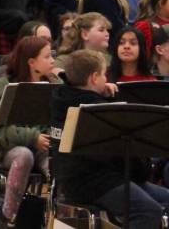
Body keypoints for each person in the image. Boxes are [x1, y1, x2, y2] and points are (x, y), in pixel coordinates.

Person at [51, 49, 169, 228]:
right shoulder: (98, 112)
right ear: (94, 78)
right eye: (104, 74)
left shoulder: (61, 99)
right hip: (92, 182)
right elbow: (125, 159)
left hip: (76, 178)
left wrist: (101, 96)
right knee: (147, 210)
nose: (107, 79)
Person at [0, 35, 55, 228]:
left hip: (42, 146)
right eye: (47, 57)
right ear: (32, 63)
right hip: (7, 148)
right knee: (24, 156)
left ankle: (54, 216)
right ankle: (6, 216)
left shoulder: (54, 84)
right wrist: (32, 137)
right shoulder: (5, 88)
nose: (52, 61)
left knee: (57, 161)